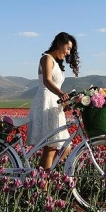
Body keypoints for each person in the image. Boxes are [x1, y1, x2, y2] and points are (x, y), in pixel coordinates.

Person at [27, 32, 80, 170]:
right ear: (59, 44)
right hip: (46, 101)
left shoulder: (55, 62)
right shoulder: (47, 58)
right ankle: (43, 185)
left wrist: (65, 101)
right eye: (68, 48)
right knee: (51, 147)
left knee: (64, 146)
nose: (68, 53)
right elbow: (47, 80)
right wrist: (63, 94)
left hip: (55, 104)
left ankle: (42, 176)